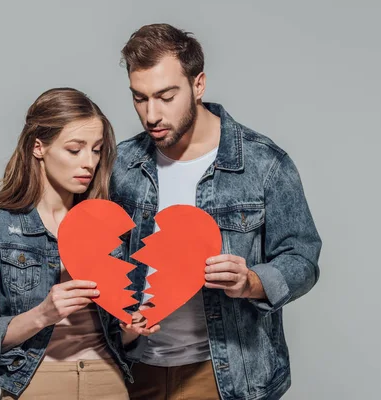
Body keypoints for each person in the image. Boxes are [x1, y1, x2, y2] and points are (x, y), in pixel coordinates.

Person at [111, 24, 322, 400]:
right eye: (139, 99)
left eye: (165, 96)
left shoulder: (263, 163)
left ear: (198, 85)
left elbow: (302, 259)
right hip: (133, 369)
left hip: (225, 375)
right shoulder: (121, 164)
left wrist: (250, 282)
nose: (152, 114)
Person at [0, 88, 144, 399]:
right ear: (38, 147)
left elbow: (115, 332)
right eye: (74, 150)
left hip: (108, 381)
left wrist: (130, 330)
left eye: (96, 150)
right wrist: (43, 314)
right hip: (35, 384)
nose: (89, 162)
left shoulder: (107, 226)